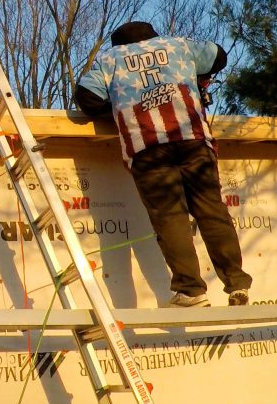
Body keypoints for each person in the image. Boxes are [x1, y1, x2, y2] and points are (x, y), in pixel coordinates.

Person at [74, 21, 253, 307]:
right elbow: (218, 55)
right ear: (152, 36)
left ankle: (192, 291)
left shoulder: (110, 60)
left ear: (118, 44)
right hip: (192, 139)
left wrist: (119, 106)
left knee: (171, 220)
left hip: (147, 147)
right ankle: (236, 283)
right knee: (212, 211)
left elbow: (87, 97)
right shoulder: (178, 45)